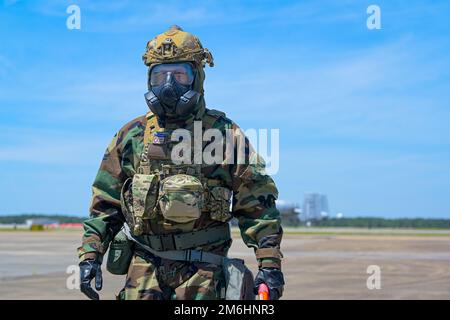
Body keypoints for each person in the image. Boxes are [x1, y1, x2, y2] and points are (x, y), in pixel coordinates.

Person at [77, 25, 284, 300]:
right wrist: (90, 255)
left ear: (197, 77)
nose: (168, 85)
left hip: (205, 273)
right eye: (159, 75)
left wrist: (269, 266)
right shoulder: (132, 135)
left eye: (179, 74)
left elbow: (257, 205)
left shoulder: (223, 134)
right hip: (144, 270)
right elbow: (105, 204)